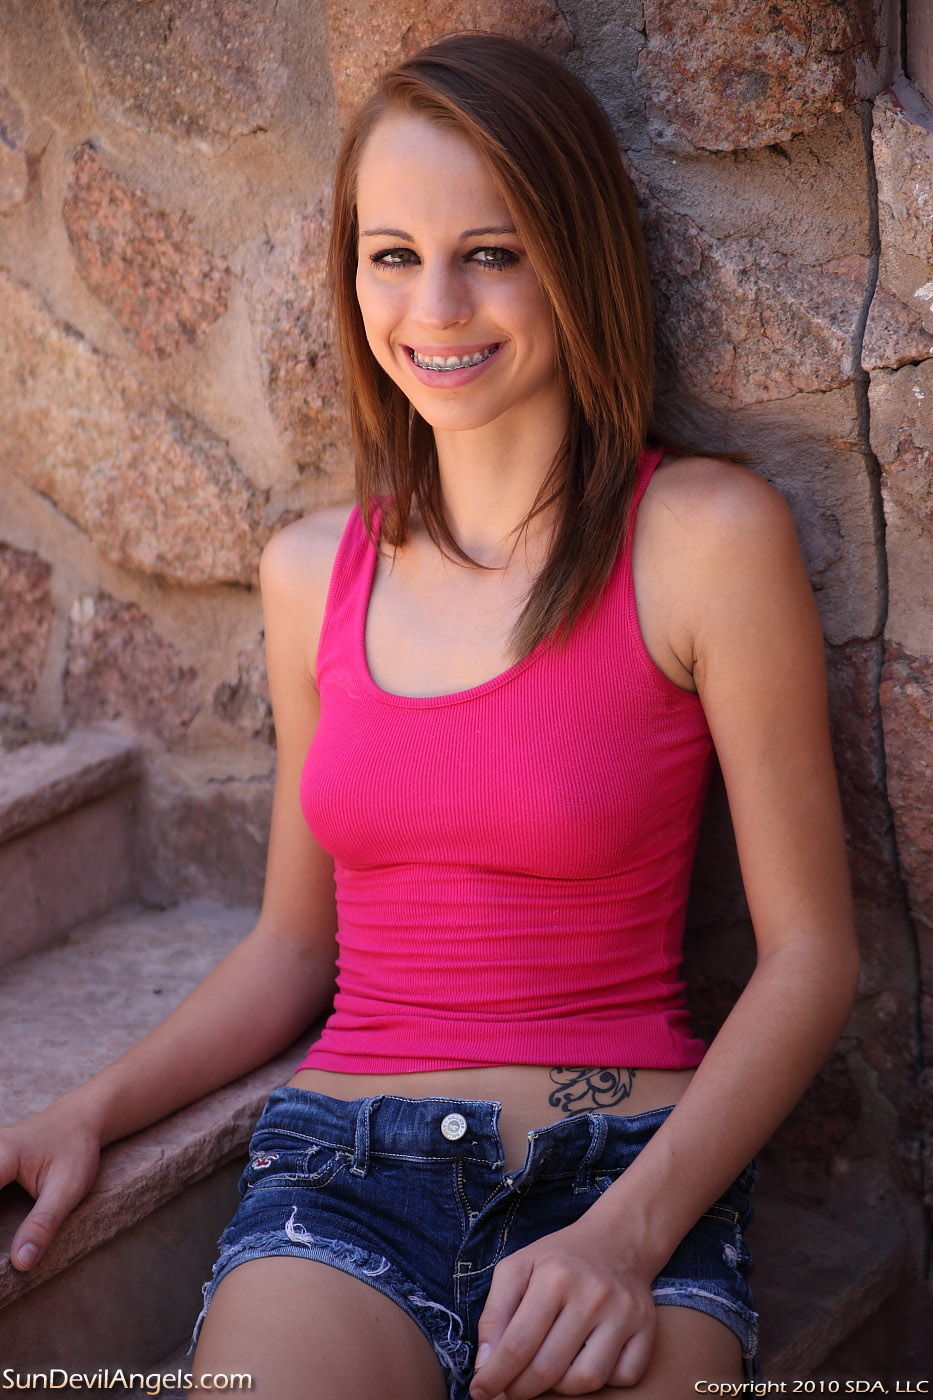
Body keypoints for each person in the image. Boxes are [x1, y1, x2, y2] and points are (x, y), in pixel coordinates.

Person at [0, 33, 858, 1400]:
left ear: (574, 261)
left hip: (623, 1171)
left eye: (491, 253)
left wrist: (625, 1239)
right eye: (392, 254)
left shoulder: (702, 538)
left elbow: (809, 957)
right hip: (346, 1178)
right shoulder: (310, 573)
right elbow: (295, 948)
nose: (436, 305)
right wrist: (88, 1111)